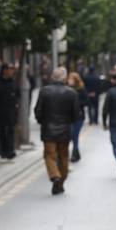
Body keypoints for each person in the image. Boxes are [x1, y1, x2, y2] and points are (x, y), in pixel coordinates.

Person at [34, 67, 80, 195]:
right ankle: (60, 181)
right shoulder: (71, 93)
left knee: (49, 155)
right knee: (63, 156)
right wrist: (69, 122)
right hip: (65, 130)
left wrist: (41, 121)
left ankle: (55, 176)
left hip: (48, 129)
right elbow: (76, 114)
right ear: (64, 78)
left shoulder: (44, 91)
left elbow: (38, 110)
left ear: (52, 77)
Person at [0, 64, 19, 159]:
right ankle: (4, 151)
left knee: (11, 130)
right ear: (4, 70)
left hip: (11, 110)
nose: (12, 71)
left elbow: (17, 94)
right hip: (1, 110)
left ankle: (11, 150)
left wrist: (16, 104)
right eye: (10, 69)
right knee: (2, 131)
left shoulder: (13, 82)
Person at [67, 71, 88, 162]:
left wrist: (77, 104)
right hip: (69, 116)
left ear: (75, 80)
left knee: (74, 135)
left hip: (79, 116)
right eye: (69, 79)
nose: (69, 81)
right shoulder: (67, 89)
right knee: (72, 135)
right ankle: (76, 153)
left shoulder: (81, 89)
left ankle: (75, 154)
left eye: (71, 79)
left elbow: (87, 101)